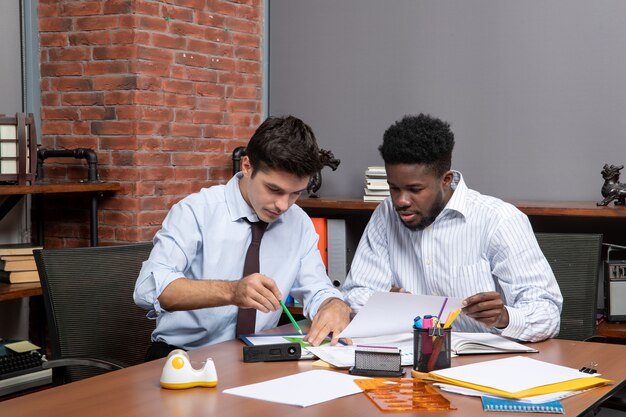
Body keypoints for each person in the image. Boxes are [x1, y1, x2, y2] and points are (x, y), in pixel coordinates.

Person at [134, 115, 351, 360]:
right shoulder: (196, 211)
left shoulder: (298, 222)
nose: (283, 205)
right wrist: (232, 291)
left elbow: (318, 289)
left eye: (295, 194)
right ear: (247, 166)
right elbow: (149, 289)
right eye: (274, 189)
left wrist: (333, 304)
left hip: (257, 356)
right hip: (185, 356)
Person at [342, 113, 562, 342]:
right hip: (411, 361)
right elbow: (354, 294)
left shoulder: (499, 220)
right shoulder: (385, 214)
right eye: (394, 188)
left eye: (415, 189)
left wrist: (504, 317)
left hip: (486, 364)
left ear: (445, 180)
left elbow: (548, 314)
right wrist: (383, 303)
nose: (400, 201)